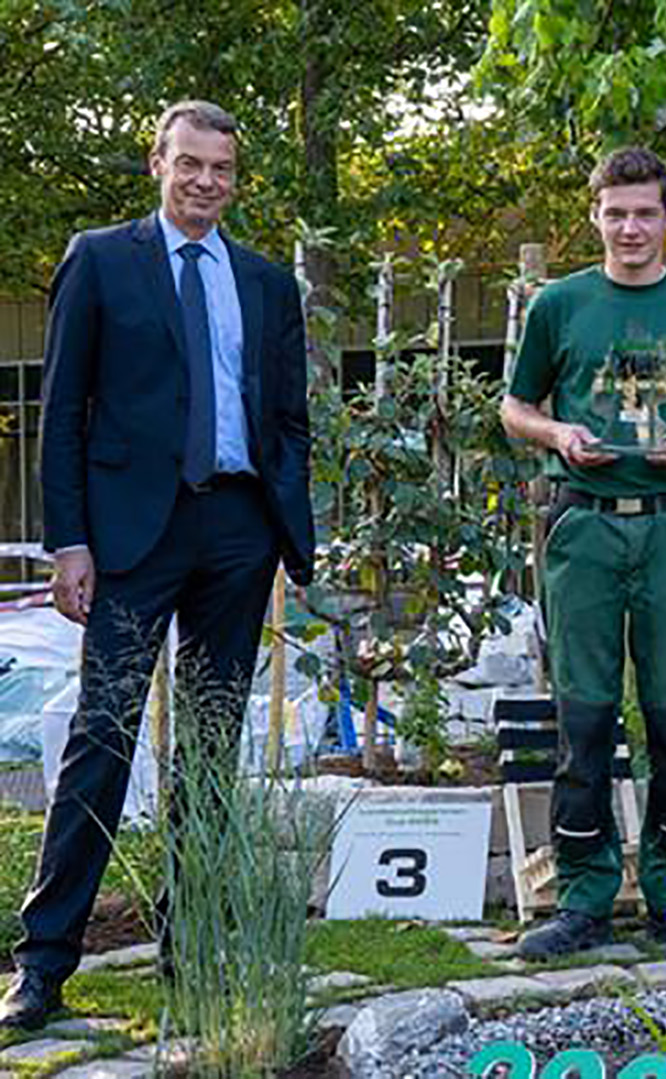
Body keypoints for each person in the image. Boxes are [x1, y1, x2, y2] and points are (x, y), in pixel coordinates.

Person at [2, 100, 316, 1029]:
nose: (206, 182)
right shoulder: (100, 259)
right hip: (131, 538)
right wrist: (70, 542)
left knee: (211, 752)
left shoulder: (264, 283)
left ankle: (195, 947)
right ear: (158, 164)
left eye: (222, 168)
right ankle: (45, 962)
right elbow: (61, 413)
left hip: (236, 531)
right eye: (191, 165)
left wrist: (284, 524)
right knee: (102, 738)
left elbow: (289, 415)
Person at [500, 147, 666, 959]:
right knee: (583, 716)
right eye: (615, 213)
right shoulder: (560, 304)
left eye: (646, 212)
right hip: (581, 523)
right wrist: (557, 432)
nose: (631, 227)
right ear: (595, 216)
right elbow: (515, 406)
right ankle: (582, 897)